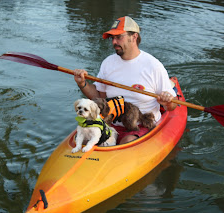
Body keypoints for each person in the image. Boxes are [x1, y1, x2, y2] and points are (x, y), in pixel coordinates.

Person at [74, 16, 177, 144]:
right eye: (112, 38)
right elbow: (99, 97)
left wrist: (167, 102)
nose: (114, 42)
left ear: (134, 37)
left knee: (127, 141)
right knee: (83, 140)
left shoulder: (153, 66)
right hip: (111, 121)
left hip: (141, 124)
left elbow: (173, 105)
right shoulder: (108, 63)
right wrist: (82, 83)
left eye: (119, 37)